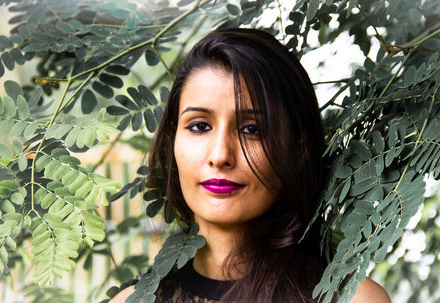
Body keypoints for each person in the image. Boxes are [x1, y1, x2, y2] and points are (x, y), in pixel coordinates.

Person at [111, 28, 391, 303]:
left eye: (252, 129)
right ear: (173, 141)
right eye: (199, 126)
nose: (220, 155)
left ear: (298, 150)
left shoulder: (351, 298)